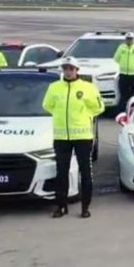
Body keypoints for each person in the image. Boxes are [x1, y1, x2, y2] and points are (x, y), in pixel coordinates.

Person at [42, 57, 104, 219]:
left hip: (83, 136)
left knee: (85, 172)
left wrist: (84, 116)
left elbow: (98, 107)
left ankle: (85, 207)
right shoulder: (54, 87)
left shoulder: (88, 87)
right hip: (62, 136)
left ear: (77, 70)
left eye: (71, 69)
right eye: (65, 69)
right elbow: (47, 105)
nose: (68, 72)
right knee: (61, 172)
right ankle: (61, 206)